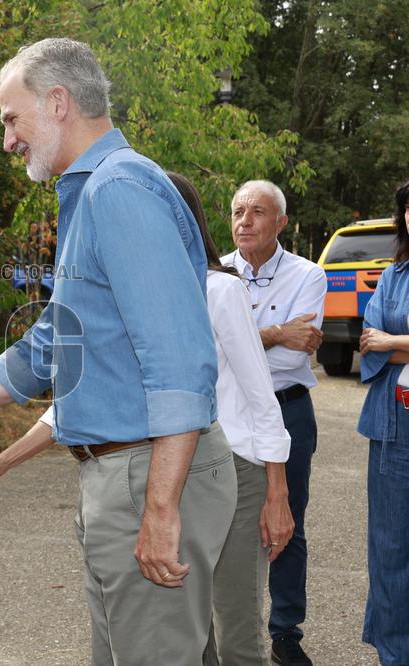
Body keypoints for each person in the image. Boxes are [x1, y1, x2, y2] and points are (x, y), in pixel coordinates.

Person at [0, 38, 237, 665]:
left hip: (147, 472)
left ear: (56, 103)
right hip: (124, 471)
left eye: (9, 118)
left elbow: (181, 363)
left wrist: (160, 508)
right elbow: (53, 343)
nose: (7, 139)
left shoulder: (118, 192)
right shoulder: (90, 194)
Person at [166, 172, 294, 666]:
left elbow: (263, 398)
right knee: (191, 633)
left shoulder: (220, 289)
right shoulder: (143, 293)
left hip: (238, 470)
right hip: (172, 473)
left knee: (238, 632)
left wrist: (277, 495)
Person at [222, 180, 326, 666]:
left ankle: (285, 632)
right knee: (220, 518)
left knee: (287, 522)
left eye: (257, 211)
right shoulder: (215, 272)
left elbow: (289, 359)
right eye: (238, 211)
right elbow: (214, 350)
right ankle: (221, 630)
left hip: (288, 408)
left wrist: (248, 339)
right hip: (227, 412)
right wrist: (278, 332)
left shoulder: (310, 275)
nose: (244, 220)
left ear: (280, 222)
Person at [356, 178, 409, 666]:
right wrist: (392, 344)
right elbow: (367, 338)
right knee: (390, 546)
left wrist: (395, 342)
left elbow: (382, 341)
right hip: (395, 424)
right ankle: (395, 653)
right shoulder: (393, 275)